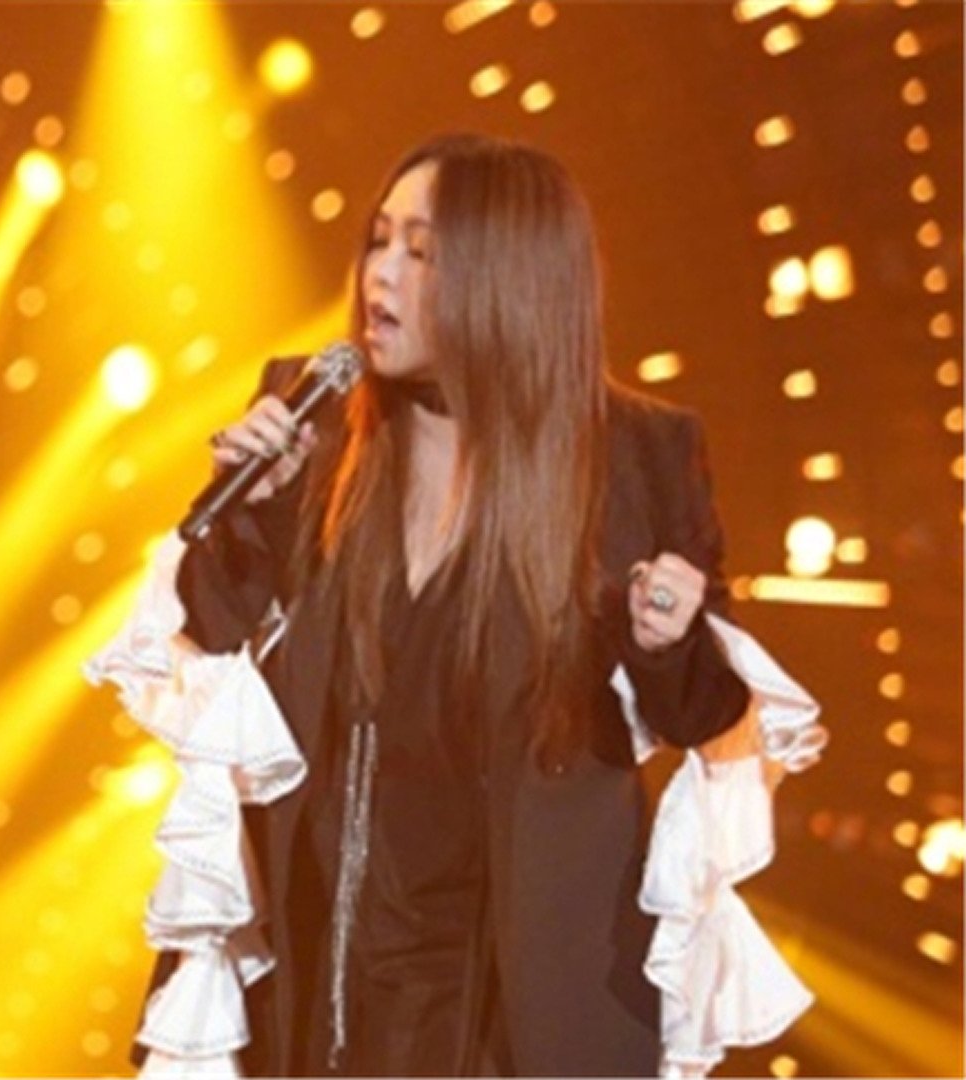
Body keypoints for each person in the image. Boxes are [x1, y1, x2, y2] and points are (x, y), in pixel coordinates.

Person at [176, 133, 751, 1076]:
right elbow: (210, 628)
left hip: (518, 990)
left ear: (507, 279)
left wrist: (667, 639)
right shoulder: (315, 419)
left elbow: (704, 714)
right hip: (334, 966)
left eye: (422, 252)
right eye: (379, 240)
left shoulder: (636, 453)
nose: (380, 275)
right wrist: (256, 512)